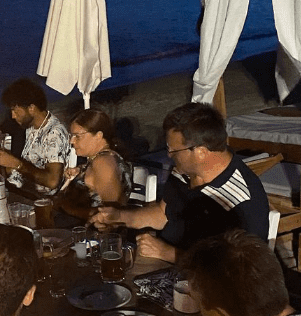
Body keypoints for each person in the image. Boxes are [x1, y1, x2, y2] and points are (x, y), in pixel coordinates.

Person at [93, 102, 269, 263]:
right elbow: (163, 213)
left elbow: (238, 271)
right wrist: (119, 216)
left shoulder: (241, 202)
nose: (169, 155)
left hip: (206, 285)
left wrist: (168, 253)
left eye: (173, 150)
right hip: (167, 267)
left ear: (200, 151)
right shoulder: (186, 170)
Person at [0, 78, 70, 196]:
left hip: (39, 198)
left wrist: (16, 164)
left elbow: (52, 182)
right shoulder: (30, 126)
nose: (13, 116)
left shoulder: (54, 134)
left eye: (16, 111)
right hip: (19, 188)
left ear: (31, 108)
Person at [56, 108, 133, 221]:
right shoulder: (101, 158)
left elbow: (109, 215)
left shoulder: (103, 163)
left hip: (92, 233)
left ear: (98, 136)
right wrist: (80, 170)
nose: (71, 141)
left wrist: (65, 207)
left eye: (77, 136)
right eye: (71, 136)